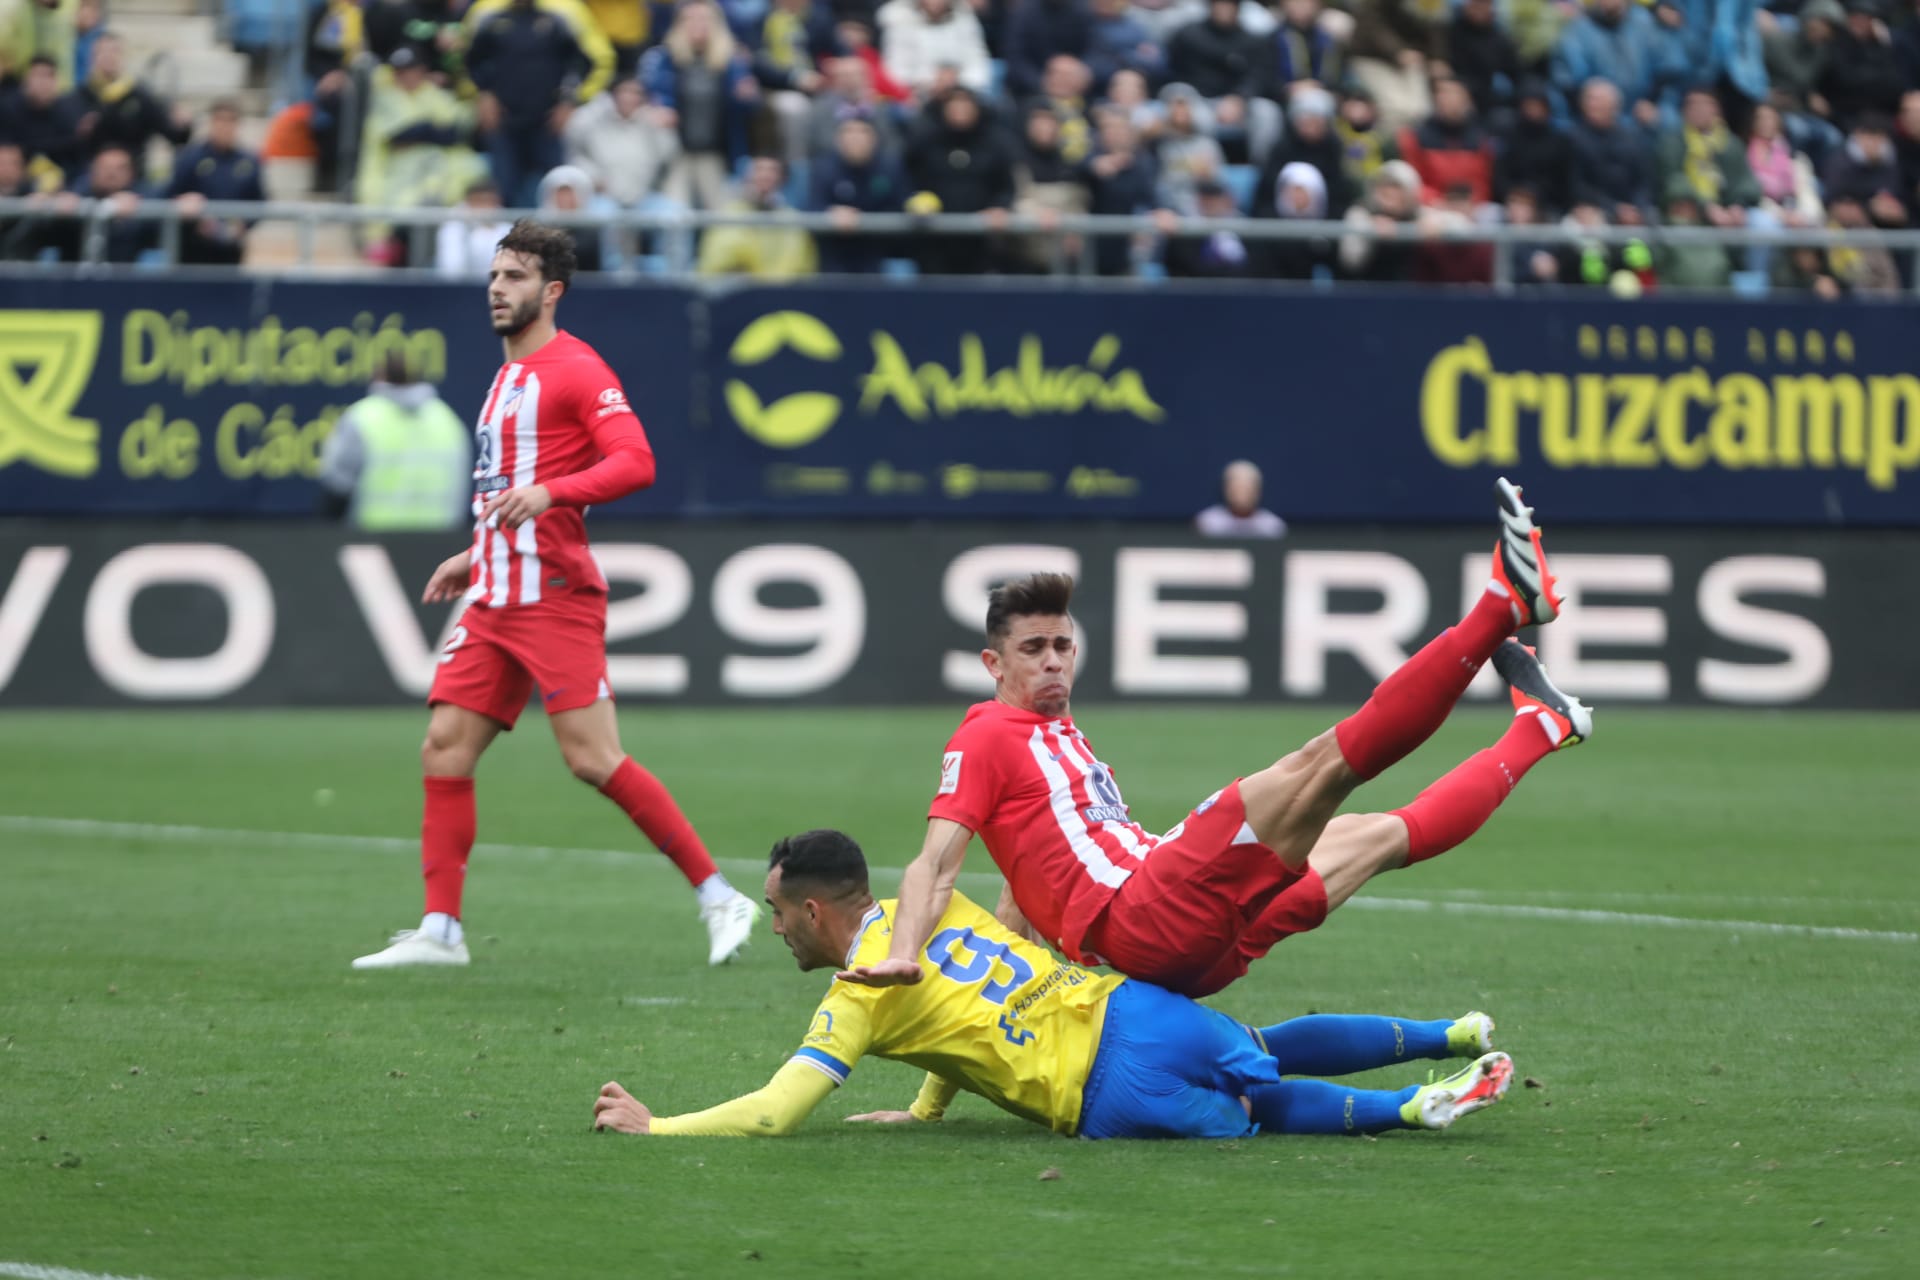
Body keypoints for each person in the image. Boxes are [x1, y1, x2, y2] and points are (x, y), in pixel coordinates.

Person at [839, 481, 1586, 1000]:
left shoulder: (1057, 750)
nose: (1055, 661)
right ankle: (1500, 608)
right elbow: (935, 861)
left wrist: (934, 1099)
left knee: (1378, 835)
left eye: (1063, 646)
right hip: (1148, 911)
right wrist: (905, 953)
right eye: (1033, 649)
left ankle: (1539, 729)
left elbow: (1017, 914)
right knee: (1318, 765)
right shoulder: (988, 731)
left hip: (1190, 954)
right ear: (992, 666)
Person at [351, 219, 760, 972]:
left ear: (552, 291)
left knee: (594, 759)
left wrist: (551, 492)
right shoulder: (507, 374)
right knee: (444, 748)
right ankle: (441, 930)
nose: (498, 289)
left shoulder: (576, 369)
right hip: (496, 595)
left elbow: (635, 461)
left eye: (514, 277)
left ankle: (719, 896)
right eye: (495, 276)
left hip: (553, 598)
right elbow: (509, 495)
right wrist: (476, 555)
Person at [591, 829, 1516, 1140]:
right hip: (1127, 1005)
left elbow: (774, 1114)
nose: (774, 925)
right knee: (1261, 1052)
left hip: (1104, 1091)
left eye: (777, 910)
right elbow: (956, 1015)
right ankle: (1452, 1032)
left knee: (1265, 1111)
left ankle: (1405, 1110)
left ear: (820, 914)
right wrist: (924, 1111)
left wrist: (656, 1125)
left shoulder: (860, 994)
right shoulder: (934, 908)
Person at [318, 353, 473, 530]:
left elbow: (338, 487)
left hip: (374, 543)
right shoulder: (448, 421)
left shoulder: (363, 417)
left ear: (380, 378)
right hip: (441, 544)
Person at [165, 100, 266, 266]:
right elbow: (172, 193)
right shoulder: (190, 157)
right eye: (220, 120)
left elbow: (259, 200)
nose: (224, 126)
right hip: (192, 247)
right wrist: (194, 219)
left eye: (231, 120)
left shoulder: (249, 161)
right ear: (211, 122)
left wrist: (244, 225)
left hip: (231, 249)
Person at [1195, 458, 1286, 536]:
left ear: (1257, 491)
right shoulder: (1207, 522)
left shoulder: (1273, 526)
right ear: (1226, 488)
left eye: (1247, 487)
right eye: (1237, 487)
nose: (1242, 493)